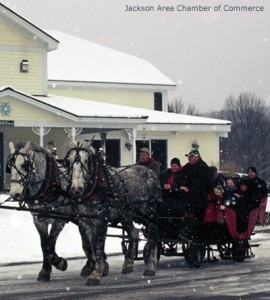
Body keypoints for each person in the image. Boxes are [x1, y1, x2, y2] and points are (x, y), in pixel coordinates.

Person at [179, 149, 214, 222]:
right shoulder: (187, 167)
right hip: (188, 190)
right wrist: (181, 186)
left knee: (195, 193)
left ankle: (193, 214)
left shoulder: (203, 167)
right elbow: (181, 177)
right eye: (188, 157)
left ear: (197, 157)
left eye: (190, 157)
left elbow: (203, 182)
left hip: (200, 193)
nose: (189, 158)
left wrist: (189, 187)